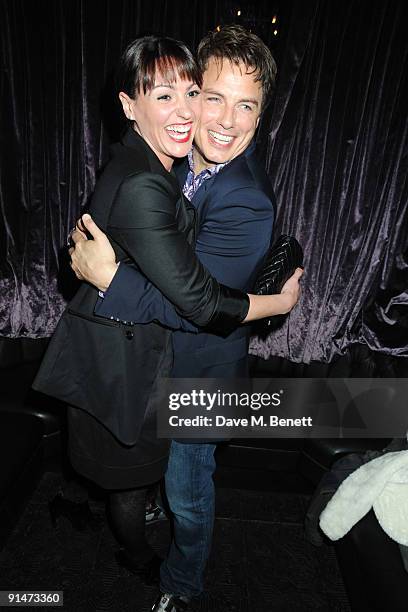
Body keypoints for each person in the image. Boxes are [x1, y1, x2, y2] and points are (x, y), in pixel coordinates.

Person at [33, 31, 302, 604]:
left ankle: (181, 587)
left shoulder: (245, 200)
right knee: (156, 474)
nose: (227, 121)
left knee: (190, 493)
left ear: (263, 113)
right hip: (150, 362)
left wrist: (108, 279)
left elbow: (198, 311)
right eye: (214, 97)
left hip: (198, 372)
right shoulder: (174, 157)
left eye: (247, 104)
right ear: (190, 94)